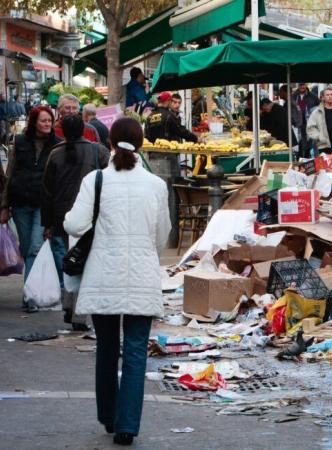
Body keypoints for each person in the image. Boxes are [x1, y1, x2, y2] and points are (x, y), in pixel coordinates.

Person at [63, 117, 170, 446]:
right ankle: (127, 426)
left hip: (103, 276)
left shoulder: (95, 181)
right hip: (141, 277)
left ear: (110, 143)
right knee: (136, 351)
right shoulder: (156, 185)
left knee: (107, 347)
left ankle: (108, 416)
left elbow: (74, 224)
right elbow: (162, 236)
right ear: (140, 144)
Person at [41, 114, 110, 330]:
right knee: (85, 264)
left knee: (68, 265)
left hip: (62, 218)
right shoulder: (98, 151)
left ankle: (70, 308)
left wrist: (48, 223)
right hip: (91, 218)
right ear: (83, 129)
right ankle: (80, 313)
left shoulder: (55, 154)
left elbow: (47, 191)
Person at [0, 106, 62, 312]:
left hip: (43, 204)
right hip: (20, 202)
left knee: (35, 248)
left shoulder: (57, 145)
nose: (47, 124)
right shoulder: (20, 142)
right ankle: (31, 290)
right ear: (34, 121)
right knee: (26, 248)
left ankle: (30, 296)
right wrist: (4, 205)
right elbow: (10, 173)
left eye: (49, 121)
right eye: (43, 120)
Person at [306, 88, 332, 155]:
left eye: (331, 94)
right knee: (325, 165)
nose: (330, 96)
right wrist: (319, 137)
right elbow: (310, 128)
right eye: (327, 95)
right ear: (323, 97)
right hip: (324, 146)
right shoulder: (317, 112)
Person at [293, 83, 320, 158]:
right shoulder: (293, 96)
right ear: (298, 85)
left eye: (303, 85)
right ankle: (299, 158)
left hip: (309, 122)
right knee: (298, 142)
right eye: (300, 85)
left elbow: (319, 107)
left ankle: (306, 158)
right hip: (296, 123)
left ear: (306, 85)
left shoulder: (313, 96)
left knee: (310, 142)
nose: (302, 86)